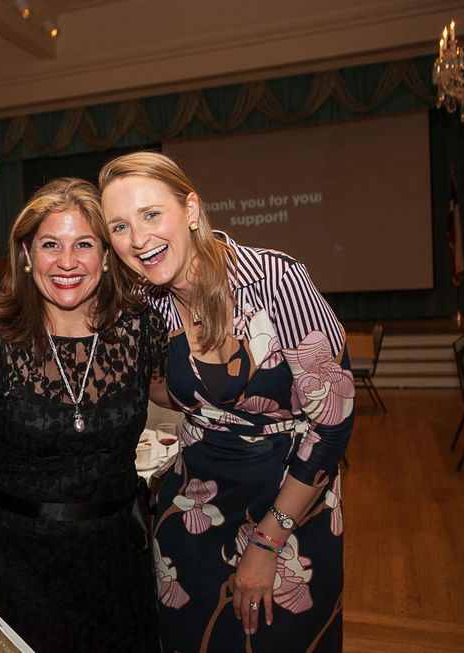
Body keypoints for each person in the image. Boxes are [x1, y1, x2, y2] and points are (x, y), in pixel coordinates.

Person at [99, 152, 354, 653]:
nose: (138, 239)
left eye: (152, 214)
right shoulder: (145, 300)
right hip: (193, 506)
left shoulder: (275, 280)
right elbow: (177, 390)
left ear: (190, 209)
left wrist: (266, 543)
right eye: (119, 226)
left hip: (290, 499)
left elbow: (333, 425)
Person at [0, 177, 166, 652]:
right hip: (20, 566)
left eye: (84, 244)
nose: (66, 262)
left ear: (106, 256)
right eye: (50, 245)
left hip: (117, 558)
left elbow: (195, 400)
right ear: (26, 254)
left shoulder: (141, 329)